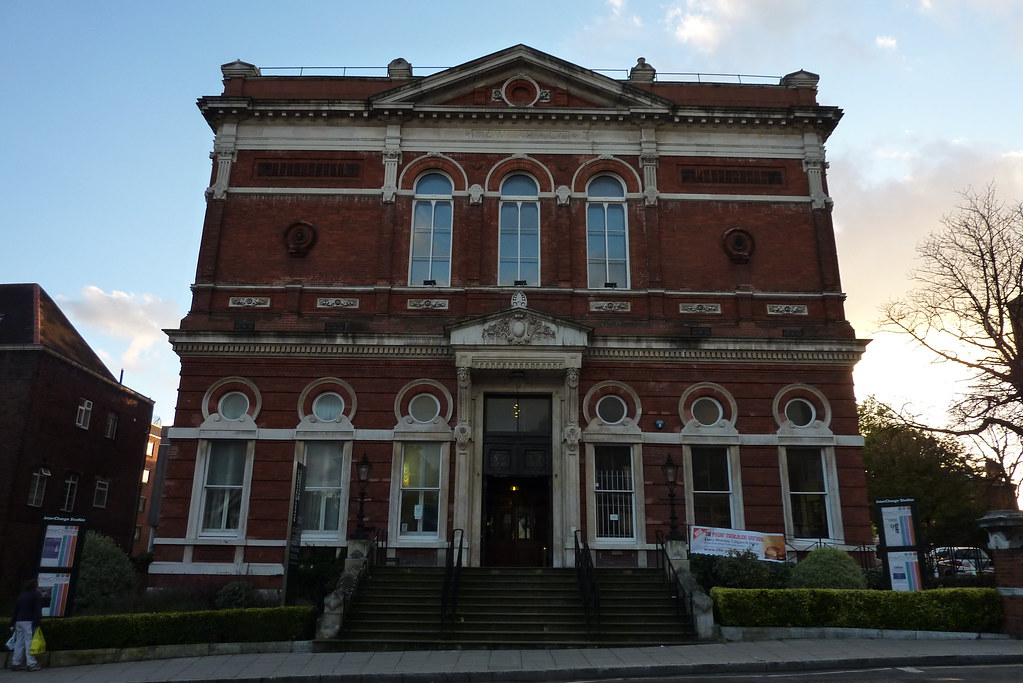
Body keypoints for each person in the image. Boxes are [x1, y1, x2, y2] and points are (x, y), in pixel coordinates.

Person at [8, 578, 42, 671]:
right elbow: (37, 610)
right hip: (29, 621)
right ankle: (31, 664)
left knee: (19, 642)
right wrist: (38, 622)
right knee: (29, 642)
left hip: (19, 621)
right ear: (35, 586)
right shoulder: (35, 595)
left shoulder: (22, 596)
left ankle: (16, 663)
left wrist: (12, 623)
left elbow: (16, 610)